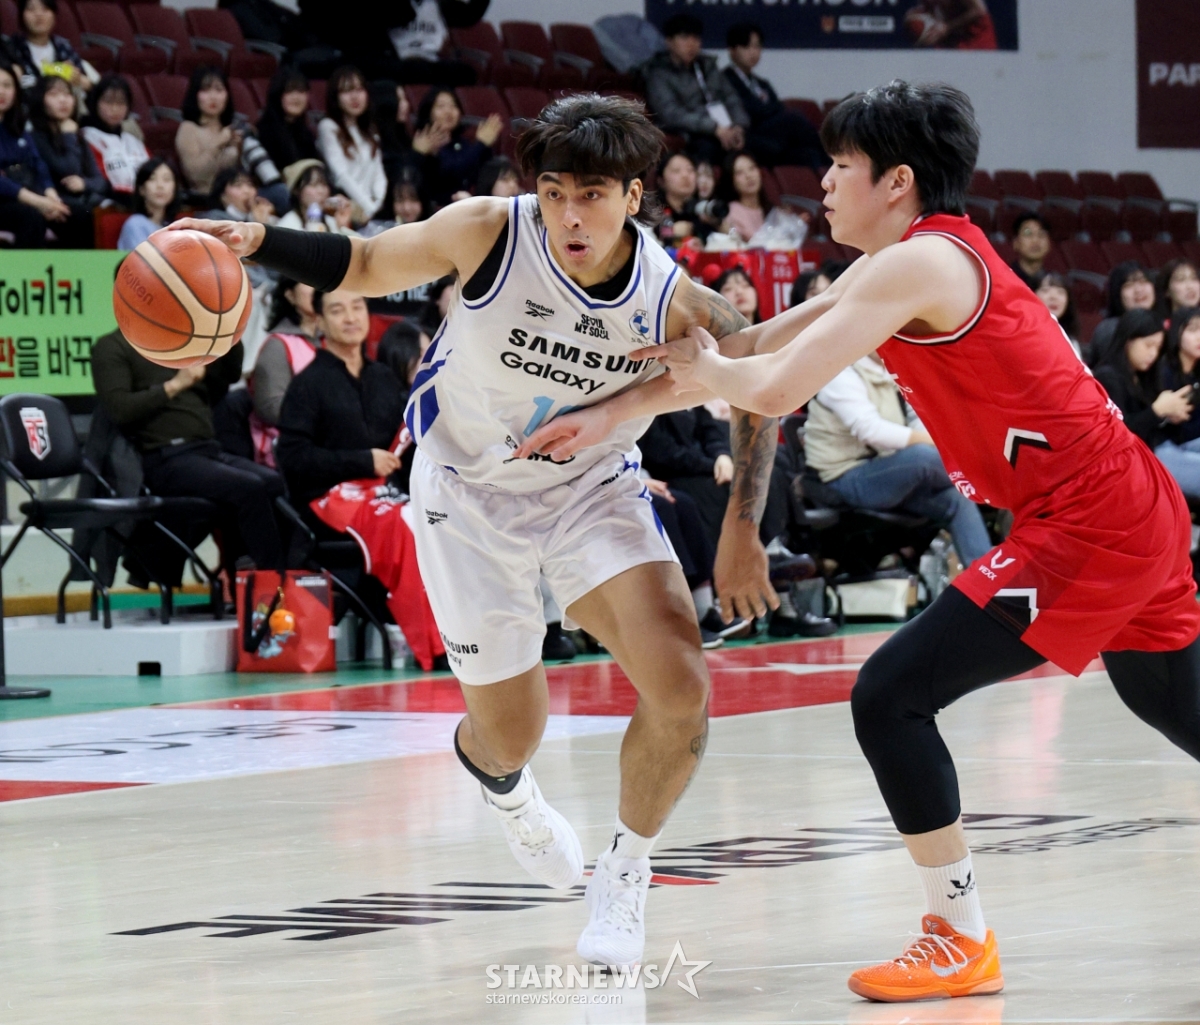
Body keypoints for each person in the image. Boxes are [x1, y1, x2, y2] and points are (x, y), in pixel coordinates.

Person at [522, 81, 1200, 1002]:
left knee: (889, 696)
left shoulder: (920, 264)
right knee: (1175, 705)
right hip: (1125, 504)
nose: (825, 183)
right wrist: (613, 412)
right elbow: (756, 345)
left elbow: (768, 388)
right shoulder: (907, 259)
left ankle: (959, 936)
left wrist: (701, 367)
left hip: (1093, 520)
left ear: (898, 180)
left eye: (841, 165)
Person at [171, 92, 781, 968]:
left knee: (682, 685)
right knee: (512, 732)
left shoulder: (670, 296)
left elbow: (761, 375)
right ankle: (507, 791)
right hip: (466, 493)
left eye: (593, 195)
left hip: (588, 486)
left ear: (634, 196)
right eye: (556, 193)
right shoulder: (491, 231)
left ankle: (625, 871)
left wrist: (741, 531)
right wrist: (258, 239)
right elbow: (366, 261)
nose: (571, 216)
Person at [275, 285, 445, 669]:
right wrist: (362, 462)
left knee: (439, 516)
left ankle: (464, 636)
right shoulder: (307, 384)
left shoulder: (383, 378)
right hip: (328, 500)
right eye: (338, 310)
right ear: (319, 320)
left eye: (357, 307)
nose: (350, 317)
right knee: (407, 522)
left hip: (384, 494)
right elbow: (293, 458)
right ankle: (433, 646)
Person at [91, 328, 286, 584]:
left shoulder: (183, 340)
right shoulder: (113, 346)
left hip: (206, 450)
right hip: (160, 457)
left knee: (273, 483)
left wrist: (227, 333)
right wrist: (174, 386)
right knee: (248, 488)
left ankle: (252, 578)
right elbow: (119, 409)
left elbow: (227, 377)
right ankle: (274, 585)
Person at [806, 350, 992, 568]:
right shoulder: (839, 373)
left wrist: (939, 442)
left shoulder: (893, 370)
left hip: (892, 473)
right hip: (845, 479)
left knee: (957, 497)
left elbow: (917, 418)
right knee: (924, 457)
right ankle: (991, 480)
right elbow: (871, 431)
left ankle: (989, 578)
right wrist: (939, 445)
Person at [1094, 308, 1200, 501]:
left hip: (1157, 447)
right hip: (1140, 458)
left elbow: (1149, 420)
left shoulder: (1144, 375)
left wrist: (1167, 416)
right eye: (1148, 345)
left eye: (1157, 348)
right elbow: (1118, 433)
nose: (1153, 354)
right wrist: (1158, 411)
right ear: (1128, 341)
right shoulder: (1108, 376)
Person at [644, 13, 748, 167]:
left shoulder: (708, 66)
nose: (691, 44)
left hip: (726, 126)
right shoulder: (658, 74)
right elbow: (671, 114)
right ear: (669, 42)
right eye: (684, 38)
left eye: (696, 38)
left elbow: (731, 97)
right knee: (709, 149)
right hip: (692, 133)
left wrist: (739, 126)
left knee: (761, 144)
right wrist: (713, 128)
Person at [722, 22, 824, 170]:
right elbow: (750, 112)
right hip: (752, 137)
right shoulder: (725, 80)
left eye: (757, 46)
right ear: (732, 50)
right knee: (794, 119)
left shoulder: (762, 83)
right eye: (746, 47)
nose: (753, 52)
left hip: (776, 139)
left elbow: (777, 108)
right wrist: (768, 110)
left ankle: (832, 173)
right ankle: (833, 155)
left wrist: (767, 110)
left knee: (809, 155)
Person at [0, 59, 70, 247]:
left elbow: (37, 164)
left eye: (7, 85)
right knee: (30, 217)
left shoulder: (18, 127)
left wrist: (51, 195)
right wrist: (38, 202)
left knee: (75, 214)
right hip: (9, 200)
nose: (1, 92)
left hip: (28, 195)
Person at [27, 72, 102, 245]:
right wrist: (69, 136)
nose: (63, 100)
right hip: (52, 203)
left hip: (81, 202)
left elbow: (101, 181)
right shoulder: (35, 137)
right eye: (54, 95)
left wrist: (84, 184)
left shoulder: (77, 134)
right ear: (40, 100)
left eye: (67, 94)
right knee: (82, 215)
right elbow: (68, 169)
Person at [316, 66, 387, 224]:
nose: (355, 97)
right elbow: (341, 176)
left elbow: (378, 173)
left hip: (372, 208)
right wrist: (369, 208)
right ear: (336, 97)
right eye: (347, 91)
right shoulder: (328, 127)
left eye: (359, 90)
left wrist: (378, 204)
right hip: (345, 205)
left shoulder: (370, 130)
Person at [411, 86, 501, 210]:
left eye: (453, 106)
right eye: (441, 106)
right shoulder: (420, 144)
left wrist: (484, 148)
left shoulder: (463, 144)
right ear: (428, 112)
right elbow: (451, 174)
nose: (448, 111)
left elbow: (481, 174)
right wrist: (481, 145)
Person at [176, 67, 243, 204]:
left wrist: (240, 147)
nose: (213, 97)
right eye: (206, 90)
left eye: (219, 90)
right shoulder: (188, 129)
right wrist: (219, 142)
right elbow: (196, 175)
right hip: (205, 200)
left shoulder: (230, 129)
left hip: (236, 199)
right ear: (195, 95)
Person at [80, 74, 148, 206]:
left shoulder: (133, 140)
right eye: (108, 102)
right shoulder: (87, 137)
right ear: (96, 102)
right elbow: (101, 182)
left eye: (121, 103)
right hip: (110, 204)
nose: (115, 109)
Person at [6, 0, 91, 92]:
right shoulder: (12, 47)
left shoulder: (63, 46)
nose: (39, 14)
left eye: (45, 8)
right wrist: (54, 75)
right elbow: (9, 83)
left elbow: (87, 83)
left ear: (54, 15)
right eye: (31, 9)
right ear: (21, 15)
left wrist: (77, 80)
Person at [1088, 261, 1156, 365]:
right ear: (1117, 295)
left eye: (1143, 282)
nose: (1138, 290)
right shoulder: (1110, 330)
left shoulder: (1163, 323)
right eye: (1128, 285)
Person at [256, 66, 320, 175]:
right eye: (289, 91)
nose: (296, 98)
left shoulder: (306, 133)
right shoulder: (264, 132)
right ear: (277, 95)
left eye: (301, 91)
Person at [276, 159, 355, 234]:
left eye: (324, 184)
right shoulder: (287, 227)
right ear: (296, 190)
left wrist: (342, 228)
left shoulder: (332, 222)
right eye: (314, 185)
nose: (321, 191)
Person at [655, 150, 715, 247]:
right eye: (676, 171)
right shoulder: (653, 210)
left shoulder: (700, 209)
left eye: (690, 170)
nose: (685, 175)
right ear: (661, 180)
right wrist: (672, 232)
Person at [117, 157, 179, 250]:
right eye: (152, 179)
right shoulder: (135, 224)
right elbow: (143, 258)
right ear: (141, 189)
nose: (160, 185)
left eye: (166, 179)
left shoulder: (176, 226)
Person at [718, 150, 771, 242]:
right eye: (739, 173)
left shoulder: (771, 210)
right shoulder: (731, 212)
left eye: (752, 168)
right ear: (731, 180)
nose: (748, 176)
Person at [906, 0, 998, 49]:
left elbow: (979, 10)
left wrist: (947, 27)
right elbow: (926, 9)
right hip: (952, 40)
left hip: (976, 37)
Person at [1034, 270, 1082, 358]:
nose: (1054, 297)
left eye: (1060, 292)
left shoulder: (1072, 341)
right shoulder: (1024, 334)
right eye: (1045, 291)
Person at [1009, 211, 1051, 290]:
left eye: (1041, 234)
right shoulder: (1006, 278)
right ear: (1015, 243)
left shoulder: (1051, 283)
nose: (1035, 240)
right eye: (1028, 233)